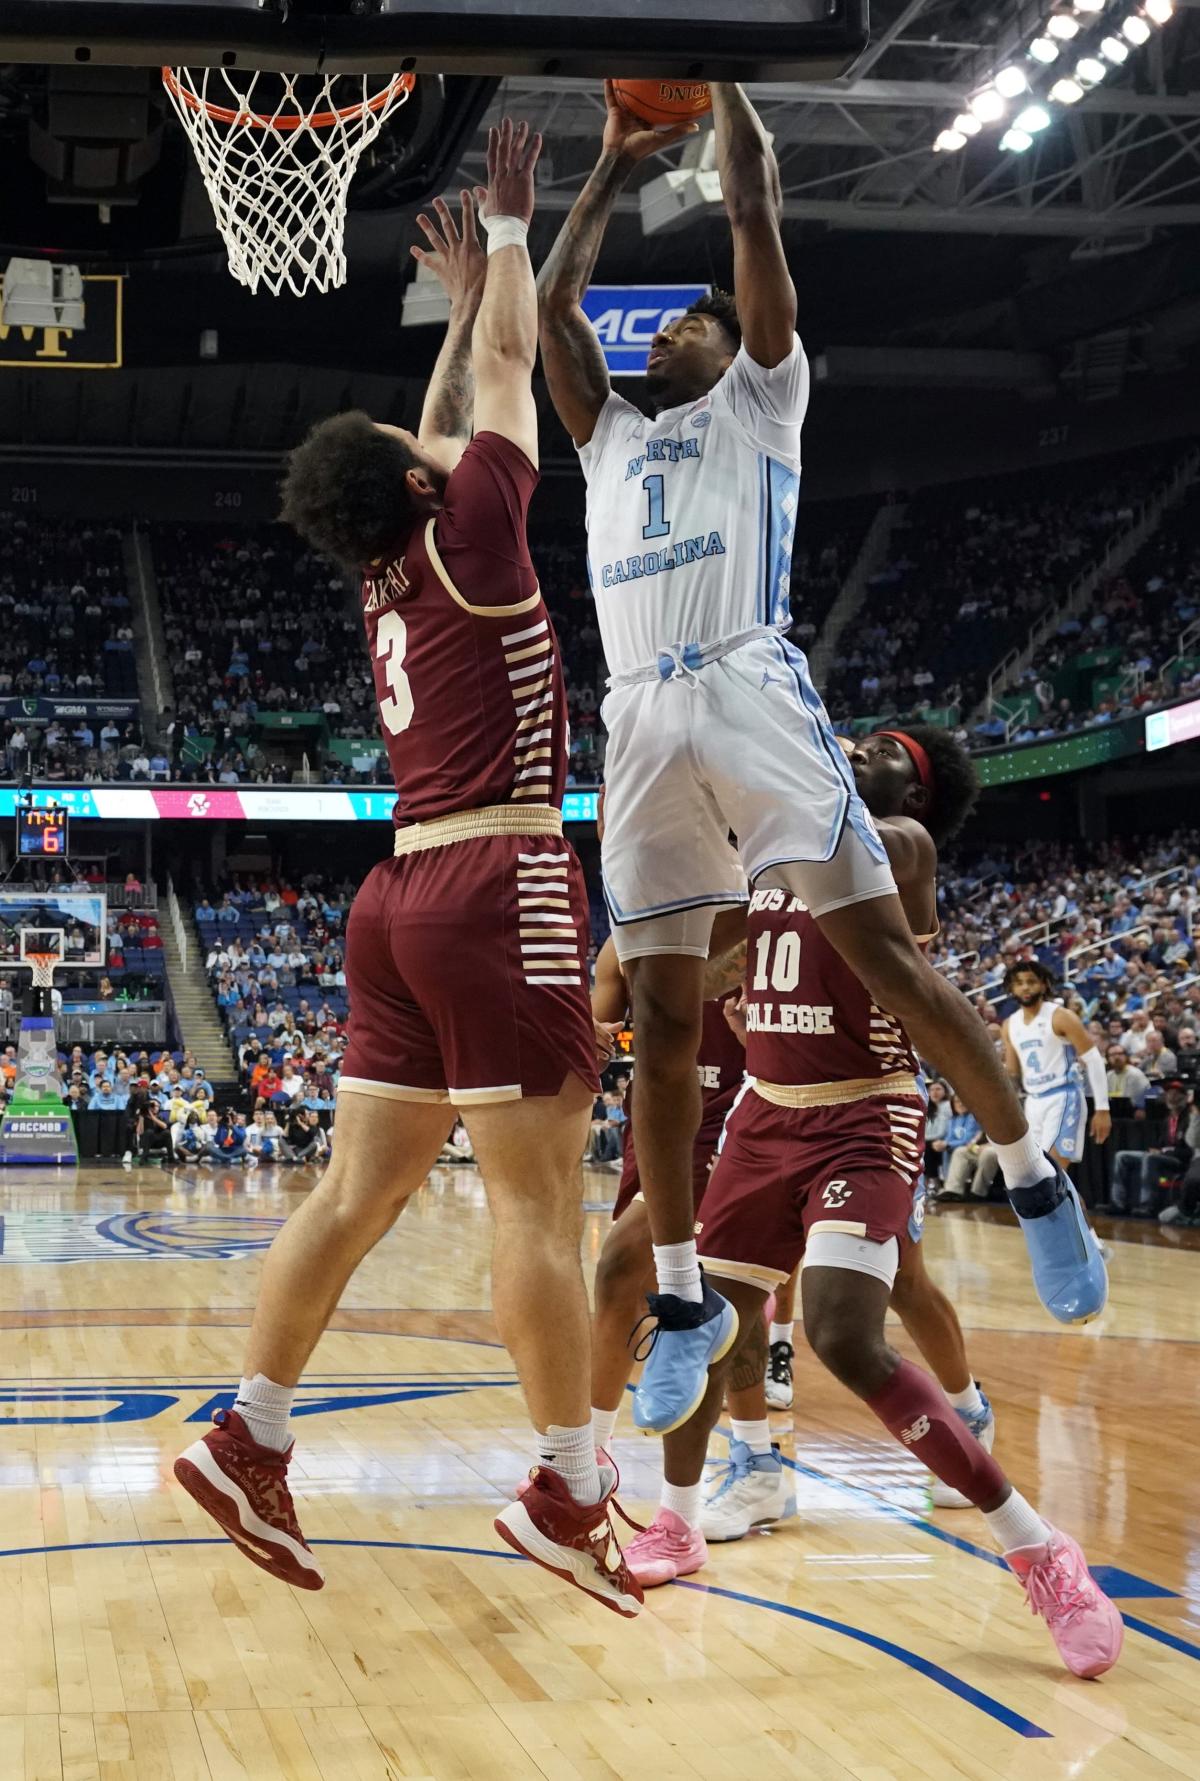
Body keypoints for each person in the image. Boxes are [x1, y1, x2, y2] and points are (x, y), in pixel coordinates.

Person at [538, 81, 1105, 1433]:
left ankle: (1032, 1174)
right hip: (635, 721)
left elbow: (752, 204)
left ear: (736, 350)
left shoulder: (761, 403)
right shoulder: (609, 437)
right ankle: (682, 1293)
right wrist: (609, 168)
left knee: (891, 962)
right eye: (666, 317)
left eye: (688, 317)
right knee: (667, 1028)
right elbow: (551, 314)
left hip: (743, 681)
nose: (664, 324)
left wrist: (729, 80)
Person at [175, 121, 640, 1618]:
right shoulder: (482, 533)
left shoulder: (393, 563)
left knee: (352, 1195)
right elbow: (500, 393)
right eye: (416, 444)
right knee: (533, 1207)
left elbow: (455, 410)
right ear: (422, 483)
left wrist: (455, 315)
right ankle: (570, 1484)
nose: (430, 434)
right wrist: (509, 233)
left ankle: (251, 1429)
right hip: (500, 887)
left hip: (391, 902)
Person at [636, 728, 1123, 1679]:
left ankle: (1037, 1549)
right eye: (858, 739)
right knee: (714, 1334)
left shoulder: (900, 843)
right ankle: (679, 1518)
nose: (861, 747)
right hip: (765, 1112)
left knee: (846, 1334)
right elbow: (714, 953)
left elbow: (834, 858)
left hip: (867, 1113)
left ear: (920, 790)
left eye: (890, 750)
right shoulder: (776, 836)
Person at [1002, 962, 1112, 1172]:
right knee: (1039, 1179)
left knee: (1050, 1172)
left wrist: (1102, 1109)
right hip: (1033, 1102)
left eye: (1031, 982)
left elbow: (1094, 1060)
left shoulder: (1061, 1016)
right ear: (1011, 989)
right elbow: (1012, 1074)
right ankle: (1076, 1205)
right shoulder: (1009, 1024)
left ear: (1044, 985)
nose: (1025, 988)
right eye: (1019, 983)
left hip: (1064, 1097)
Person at [1102, 1080, 1198, 1217]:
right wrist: (1157, 1149)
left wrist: (1163, 1151)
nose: (1171, 1097)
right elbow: (1160, 1143)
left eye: (1175, 1094)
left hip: (1179, 1160)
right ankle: (1118, 1203)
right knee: (1122, 1156)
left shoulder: (1189, 1118)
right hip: (1162, 1155)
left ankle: (1146, 1206)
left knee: (1150, 1158)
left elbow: (1190, 1150)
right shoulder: (1168, 1119)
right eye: (1169, 1093)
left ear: (1184, 1097)